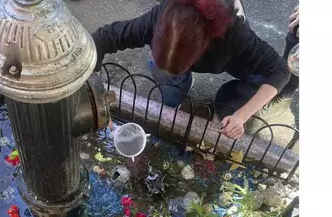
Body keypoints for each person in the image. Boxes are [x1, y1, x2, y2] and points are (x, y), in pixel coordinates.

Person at [91, 0, 294, 140]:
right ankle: (175, 92)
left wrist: (241, 116)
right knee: (162, 71)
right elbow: (100, 40)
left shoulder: (234, 33)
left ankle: (227, 103)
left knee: (257, 86)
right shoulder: (159, 18)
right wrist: (98, 101)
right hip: (196, 47)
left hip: (231, 57)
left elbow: (280, 71)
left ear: (204, 48)